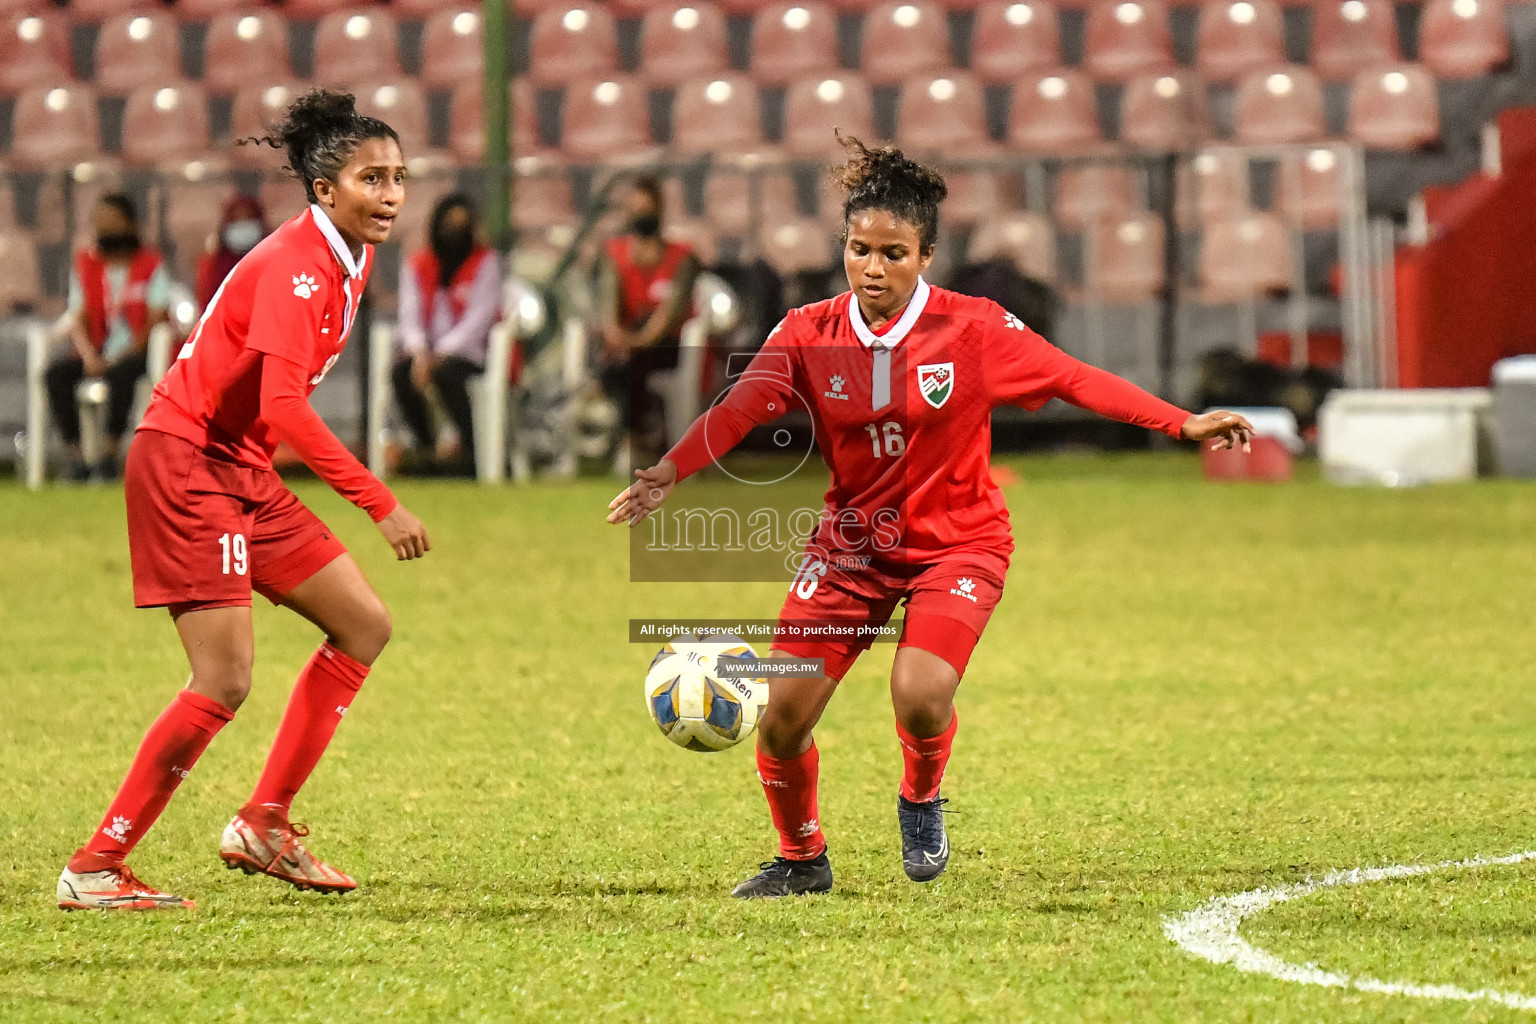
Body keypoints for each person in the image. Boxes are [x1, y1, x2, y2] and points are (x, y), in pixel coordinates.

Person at [607, 138, 1254, 899]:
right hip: (853, 549)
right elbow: (739, 407)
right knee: (780, 714)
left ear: (926, 257)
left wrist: (1180, 423)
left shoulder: (972, 329)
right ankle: (802, 859)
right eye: (858, 250)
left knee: (918, 693)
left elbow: (1074, 378)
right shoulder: (808, 331)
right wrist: (668, 472)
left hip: (960, 543)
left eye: (893, 253)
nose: (872, 268)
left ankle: (920, 796)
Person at [56, 89, 430, 912]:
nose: (393, 194)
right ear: (325, 190)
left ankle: (265, 822)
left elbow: (266, 415)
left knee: (364, 624)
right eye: (374, 179)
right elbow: (286, 407)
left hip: (241, 467)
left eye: (400, 177)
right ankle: (94, 865)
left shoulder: (351, 252)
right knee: (222, 679)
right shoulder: (300, 266)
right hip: (188, 463)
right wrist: (378, 503)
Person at [45, 193, 171, 481]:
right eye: (99, 222)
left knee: (123, 375)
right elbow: (77, 317)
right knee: (56, 375)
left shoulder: (151, 266)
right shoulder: (85, 265)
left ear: (130, 224)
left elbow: (155, 323)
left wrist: (115, 358)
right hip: (97, 352)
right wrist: (90, 356)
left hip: (136, 354)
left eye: (113, 221)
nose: (105, 229)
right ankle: (77, 459)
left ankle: (109, 456)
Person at [391, 192, 500, 477]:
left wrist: (441, 354)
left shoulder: (484, 262)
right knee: (400, 374)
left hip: (469, 354)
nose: (455, 233)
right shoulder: (418, 264)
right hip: (425, 352)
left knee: (448, 375)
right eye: (449, 225)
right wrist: (418, 352)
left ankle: (470, 452)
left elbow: (479, 319)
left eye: (462, 226)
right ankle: (427, 450)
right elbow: (409, 315)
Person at [596, 176, 700, 472]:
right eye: (635, 209)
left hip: (666, 346)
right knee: (618, 368)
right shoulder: (614, 255)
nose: (641, 215)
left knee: (631, 364)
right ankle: (636, 438)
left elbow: (669, 316)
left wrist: (638, 341)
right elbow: (608, 307)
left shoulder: (682, 257)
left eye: (647, 208)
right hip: (626, 345)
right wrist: (618, 337)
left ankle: (631, 441)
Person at [195, 194, 270, 313]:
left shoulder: (273, 264)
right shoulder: (211, 267)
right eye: (237, 220)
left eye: (248, 219)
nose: (243, 226)